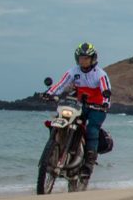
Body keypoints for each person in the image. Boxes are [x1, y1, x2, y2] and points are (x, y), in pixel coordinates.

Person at [45, 42, 112, 185]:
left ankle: (88, 164)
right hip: (80, 105)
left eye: (87, 58)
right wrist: (49, 93)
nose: (84, 61)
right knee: (61, 119)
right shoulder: (73, 71)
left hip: (97, 107)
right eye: (81, 58)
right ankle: (54, 149)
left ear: (93, 58)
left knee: (92, 130)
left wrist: (105, 102)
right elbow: (61, 84)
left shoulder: (100, 74)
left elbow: (106, 90)